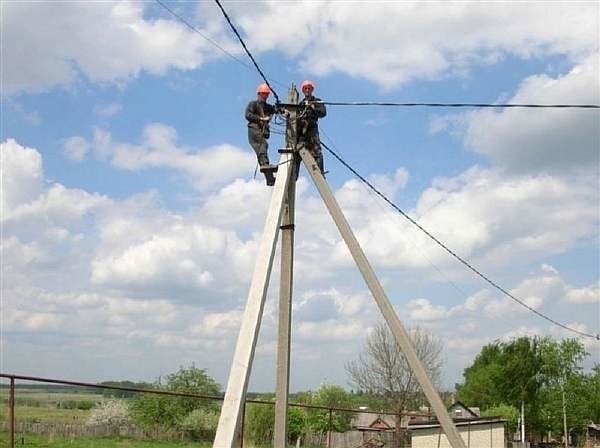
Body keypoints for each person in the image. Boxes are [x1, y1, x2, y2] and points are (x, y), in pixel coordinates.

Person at [246, 83, 277, 186]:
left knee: (262, 149)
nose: (265, 96)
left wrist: (283, 110)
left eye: (266, 94)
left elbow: (275, 109)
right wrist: (261, 118)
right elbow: (248, 115)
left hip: (260, 131)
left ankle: (270, 179)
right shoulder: (253, 104)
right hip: (254, 130)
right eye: (263, 94)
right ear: (259, 94)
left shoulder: (267, 107)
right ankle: (265, 165)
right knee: (263, 144)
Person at [298, 80, 326, 174]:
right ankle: (294, 175)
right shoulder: (300, 104)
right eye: (305, 88)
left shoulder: (317, 101)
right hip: (302, 132)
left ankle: (320, 172)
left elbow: (323, 113)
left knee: (317, 152)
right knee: (297, 153)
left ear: (312, 90)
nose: (307, 90)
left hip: (312, 129)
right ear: (303, 90)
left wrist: (313, 107)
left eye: (309, 88)